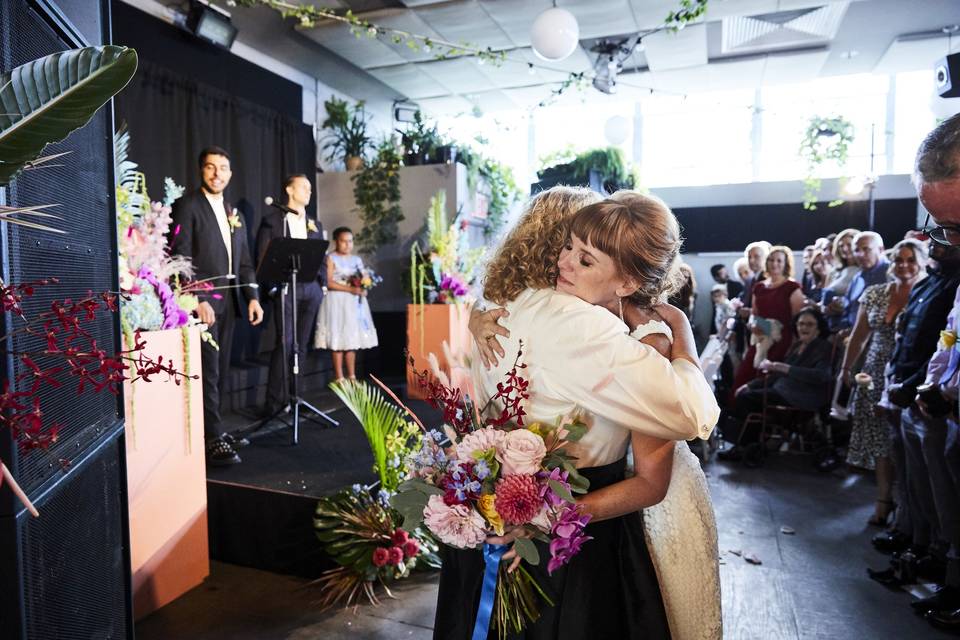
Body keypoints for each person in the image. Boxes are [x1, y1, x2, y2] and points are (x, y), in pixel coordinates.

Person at [456, 187, 722, 640]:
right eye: (569, 246)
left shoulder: (503, 304)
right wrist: (680, 327)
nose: (567, 261)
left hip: (489, 516)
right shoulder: (597, 328)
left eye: (585, 257)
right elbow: (694, 412)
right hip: (567, 539)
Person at [169, 146, 264, 466]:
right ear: (201, 171)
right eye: (210, 167)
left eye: (223, 168)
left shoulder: (231, 211)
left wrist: (252, 297)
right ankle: (211, 439)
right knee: (207, 373)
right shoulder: (187, 205)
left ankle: (215, 429)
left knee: (221, 372)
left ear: (230, 173)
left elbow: (246, 261)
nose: (217, 173)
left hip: (231, 304)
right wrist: (196, 299)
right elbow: (179, 257)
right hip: (204, 306)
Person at [838, 239, 927, 526]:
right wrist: (846, 369)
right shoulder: (875, 293)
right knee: (879, 441)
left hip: (907, 373)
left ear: (922, 262)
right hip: (873, 373)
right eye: (899, 259)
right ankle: (883, 499)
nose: (903, 265)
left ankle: (908, 508)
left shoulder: (926, 294)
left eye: (910, 260)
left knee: (904, 441)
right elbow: (859, 334)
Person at [720, 306, 833, 461]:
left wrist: (786, 368)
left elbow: (821, 376)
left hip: (802, 396)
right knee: (742, 394)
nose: (804, 328)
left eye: (809, 324)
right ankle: (743, 444)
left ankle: (744, 446)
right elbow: (778, 374)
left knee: (746, 400)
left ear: (819, 328)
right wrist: (750, 385)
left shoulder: (823, 347)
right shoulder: (797, 346)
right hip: (782, 391)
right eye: (801, 324)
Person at [256, 174, 325, 415]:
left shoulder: (315, 223)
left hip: (310, 288)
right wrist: (273, 286)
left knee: (302, 344)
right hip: (286, 287)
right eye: (303, 187)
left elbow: (321, 257)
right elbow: (263, 255)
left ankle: (297, 397)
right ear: (289, 189)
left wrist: (322, 286)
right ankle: (274, 403)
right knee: (285, 343)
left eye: (310, 188)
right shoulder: (274, 221)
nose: (309, 191)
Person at [732, 245, 805, 391]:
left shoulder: (793, 287)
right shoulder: (759, 287)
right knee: (744, 375)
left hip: (782, 340)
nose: (774, 263)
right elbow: (755, 313)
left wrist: (795, 347)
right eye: (771, 260)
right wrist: (752, 324)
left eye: (779, 260)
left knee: (768, 380)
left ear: (786, 264)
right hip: (760, 337)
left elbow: (798, 320)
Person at [314, 227, 378, 381]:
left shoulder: (356, 260)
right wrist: (350, 288)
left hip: (352, 303)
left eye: (350, 241)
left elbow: (364, 278)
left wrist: (365, 286)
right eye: (343, 241)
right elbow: (328, 282)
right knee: (338, 337)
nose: (347, 245)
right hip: (336, 300)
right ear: (336, 241)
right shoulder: (330, 258)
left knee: (350, 339)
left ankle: (352, 376)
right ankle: (339, 377)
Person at [833, 231, 890, 332]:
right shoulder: (857, 277)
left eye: (866, 249)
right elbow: (848, 308)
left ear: (881, 250)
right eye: (856, 250)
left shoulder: (892, 275)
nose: (860, 254)